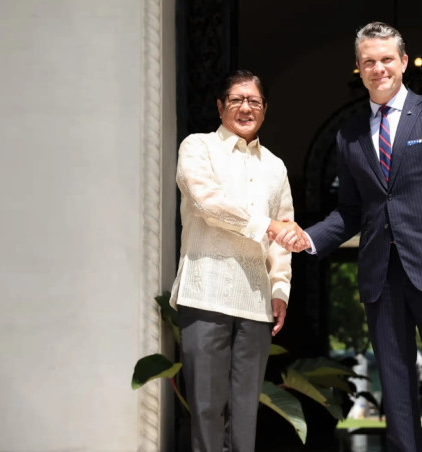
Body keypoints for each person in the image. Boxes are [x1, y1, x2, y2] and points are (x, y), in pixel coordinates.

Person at [274, 22, 422, 452]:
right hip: (379, 275)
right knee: (396, 389)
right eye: (369, 61)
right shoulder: (349, 134)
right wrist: (308, 239)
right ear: (359, 67)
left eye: (387, 59)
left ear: (403, 62)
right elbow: (351, 212)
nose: (379, 68)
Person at [170, 70, 306, 452]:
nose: (246, 108)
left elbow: (284, 233)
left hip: (256, 304)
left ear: (265, 109)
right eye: (236, 100)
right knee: (207, 410)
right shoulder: (197, 147)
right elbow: (206, 203)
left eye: (254, 101)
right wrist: (268, 226)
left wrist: (280, 289)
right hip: (205, 294)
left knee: (245, 416)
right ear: (220, 106)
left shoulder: (275, 166)